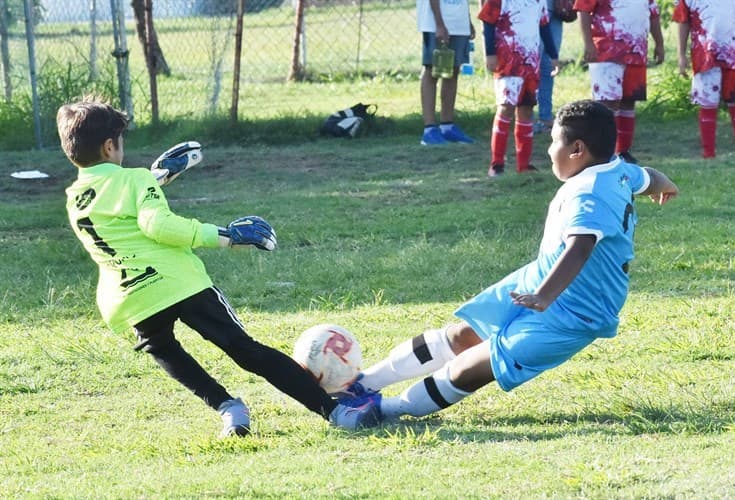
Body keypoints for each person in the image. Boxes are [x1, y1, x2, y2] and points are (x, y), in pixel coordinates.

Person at [57, 96, 379, 437]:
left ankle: (229, 408)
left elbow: (115, 209)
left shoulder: (74, 197)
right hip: (179, 284)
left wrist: (155, 179)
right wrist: (226, 236)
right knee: (245, 350)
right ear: (110, 147)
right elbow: (158, 226)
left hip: (130, 296)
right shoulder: (135, 180)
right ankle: (335, 412)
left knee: (165, 350)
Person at [341, 100, 679, 424]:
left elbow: (580, 247)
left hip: (575, 313)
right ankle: (363, 382)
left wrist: (544, 297)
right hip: (538, 280)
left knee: (470, 367)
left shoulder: (588, 192)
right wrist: (664, 184)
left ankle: (383, 410)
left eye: (552, 142)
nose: (548, 151)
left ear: (577, 149)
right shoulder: (617, 170)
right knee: (462, 336)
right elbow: (646, 176)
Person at [575, 0, 665, 163]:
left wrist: (659, 43)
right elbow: (583, 10)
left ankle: (623, 151)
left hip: (636, 51)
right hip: (605, 51)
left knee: (628, 101)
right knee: (607, 104)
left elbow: (653, 14)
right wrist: (588, 43)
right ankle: (603, 153)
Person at [480, 0, 561, 176]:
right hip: (507, 60)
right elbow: (487, 22)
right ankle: (497, 164)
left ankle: (523, 165)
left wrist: (553, 55)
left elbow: (544, 26)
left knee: (526, 109)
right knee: (506, 107)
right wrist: (490, 53)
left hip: (530, 62)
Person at [673, 0, 735, 158]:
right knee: (708, 103)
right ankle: (708, 153)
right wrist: (681, 55)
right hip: (705, 55)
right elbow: (683, 21)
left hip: (734, 54)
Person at [417, 0, 476, 145]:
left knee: (453, 71)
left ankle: (447, 126)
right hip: (435, 24)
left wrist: (467, 20)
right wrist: (439, 24)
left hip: (458, 23)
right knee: (432, 71)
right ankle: (429, 129)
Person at [534, 0, 567, 135]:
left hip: (556, 8)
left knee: (549, 66)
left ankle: (545, 117)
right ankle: (527, 118)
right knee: (533, 64)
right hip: (534, 8)